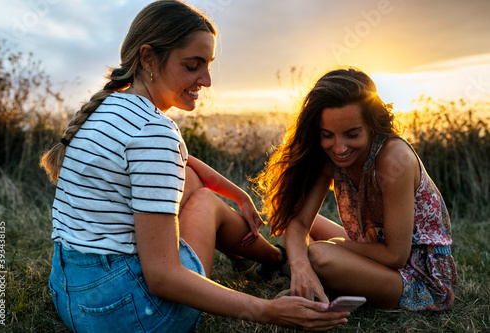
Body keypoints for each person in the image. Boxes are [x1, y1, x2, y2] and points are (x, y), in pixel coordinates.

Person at [39, 1, 349, 332]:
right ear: (149, 59)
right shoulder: (154, 132)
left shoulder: (108, 110)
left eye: (208, 64)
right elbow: (163, 277)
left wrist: (240, 195)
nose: (207, 79)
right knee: (204, 202)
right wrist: (269, 311)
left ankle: (269, 259)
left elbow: (182, 162)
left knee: (191, 182)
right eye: (193, 65)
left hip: (71, 296)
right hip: (127, 314)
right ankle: (274, 260)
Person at [255, 67, 457, 311]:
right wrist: (300, 268)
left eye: (352, 134)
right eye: (327, 135)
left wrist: (337, 244)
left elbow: (396, 256)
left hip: (417, 278)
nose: (339, 148)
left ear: (371, 124)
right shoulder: (330, 158)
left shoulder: (394, 158)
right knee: (307, 227)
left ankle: (291, 267)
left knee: (318, 254)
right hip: (373, 254)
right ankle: (296, 271)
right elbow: (298, 223)